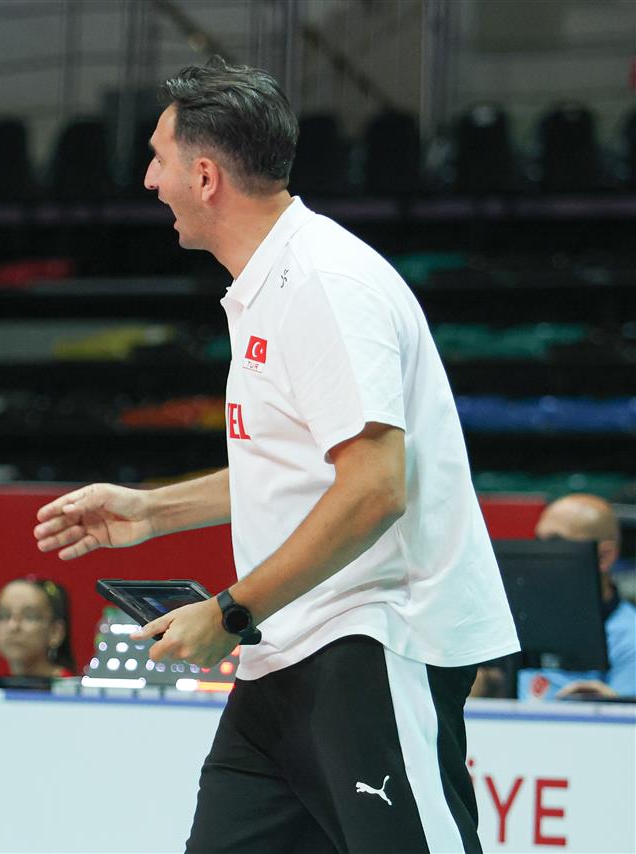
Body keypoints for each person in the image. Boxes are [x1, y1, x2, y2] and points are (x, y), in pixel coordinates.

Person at [34, 58, 519, 853]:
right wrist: (152, 510)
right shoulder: (270, 283)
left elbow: (373, 490)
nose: (149, 180)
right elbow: (294, 469)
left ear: (205, 176)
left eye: (158, 159)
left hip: (373, 639)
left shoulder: (324, 284)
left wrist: (230, 611)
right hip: (284, 654)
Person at [517, 494, 635, 700]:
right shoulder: (521, 623)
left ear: (604, 556)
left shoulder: (630, 637)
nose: (540, 555)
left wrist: (608, 705)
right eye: (538, 542)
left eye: (554, 543)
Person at [0, 576, 76, 679]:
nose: (13, 626)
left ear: (55, 632)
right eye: (4, 615)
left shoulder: (69, 687)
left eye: (29, 616)